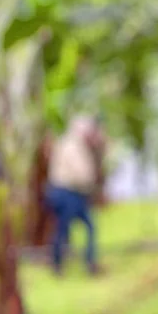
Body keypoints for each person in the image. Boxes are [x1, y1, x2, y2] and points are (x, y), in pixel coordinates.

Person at [44, 115, 103, 276]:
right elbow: (81, 175)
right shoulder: (71, 146)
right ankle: (57, 264)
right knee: (63, 229)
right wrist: (90, 183)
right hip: (66, 193)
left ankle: (88, 262)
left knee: (84, 227)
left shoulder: (78, 146)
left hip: (73, 194)